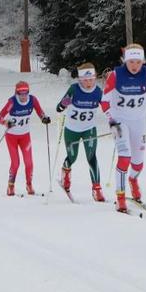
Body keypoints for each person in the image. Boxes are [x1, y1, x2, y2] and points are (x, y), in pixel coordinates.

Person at [101, 44, 146, 213]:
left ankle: (133, 180)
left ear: (142, 61)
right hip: (119, 121)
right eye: (131, 61)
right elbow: (104, 101)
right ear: (125, 60)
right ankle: (120, 197)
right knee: (125, 157)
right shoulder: (115, 75)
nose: (134, 65)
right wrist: (111, 120)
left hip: (139, 122)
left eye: (138, 62)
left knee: (138, 163)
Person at [56, 64, 105, 201]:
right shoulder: (74, 89)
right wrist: (64, 104)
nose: (89, 83)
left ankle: (97, 189)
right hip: (72, 130)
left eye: (91, 79)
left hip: (89, 129)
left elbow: (108, 108)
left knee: (91, 157)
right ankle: (65, 174)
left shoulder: (98, 92)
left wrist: (115, 121)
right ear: (80, 80)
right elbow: (58, 108)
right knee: (72, 158)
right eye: (85, 80)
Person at [0, 81, 50, 196]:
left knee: (29, 162)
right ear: (16, 93)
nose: (24, 96)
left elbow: (40, 112)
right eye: (21, 94)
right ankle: (11, 186)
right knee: (15, 163)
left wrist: (44, 118)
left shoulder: (33, 100)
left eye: (26, 93)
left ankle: (29, 184)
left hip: (25, 136)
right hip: (11, 136)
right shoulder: (12, 102)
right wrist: (5, 122)